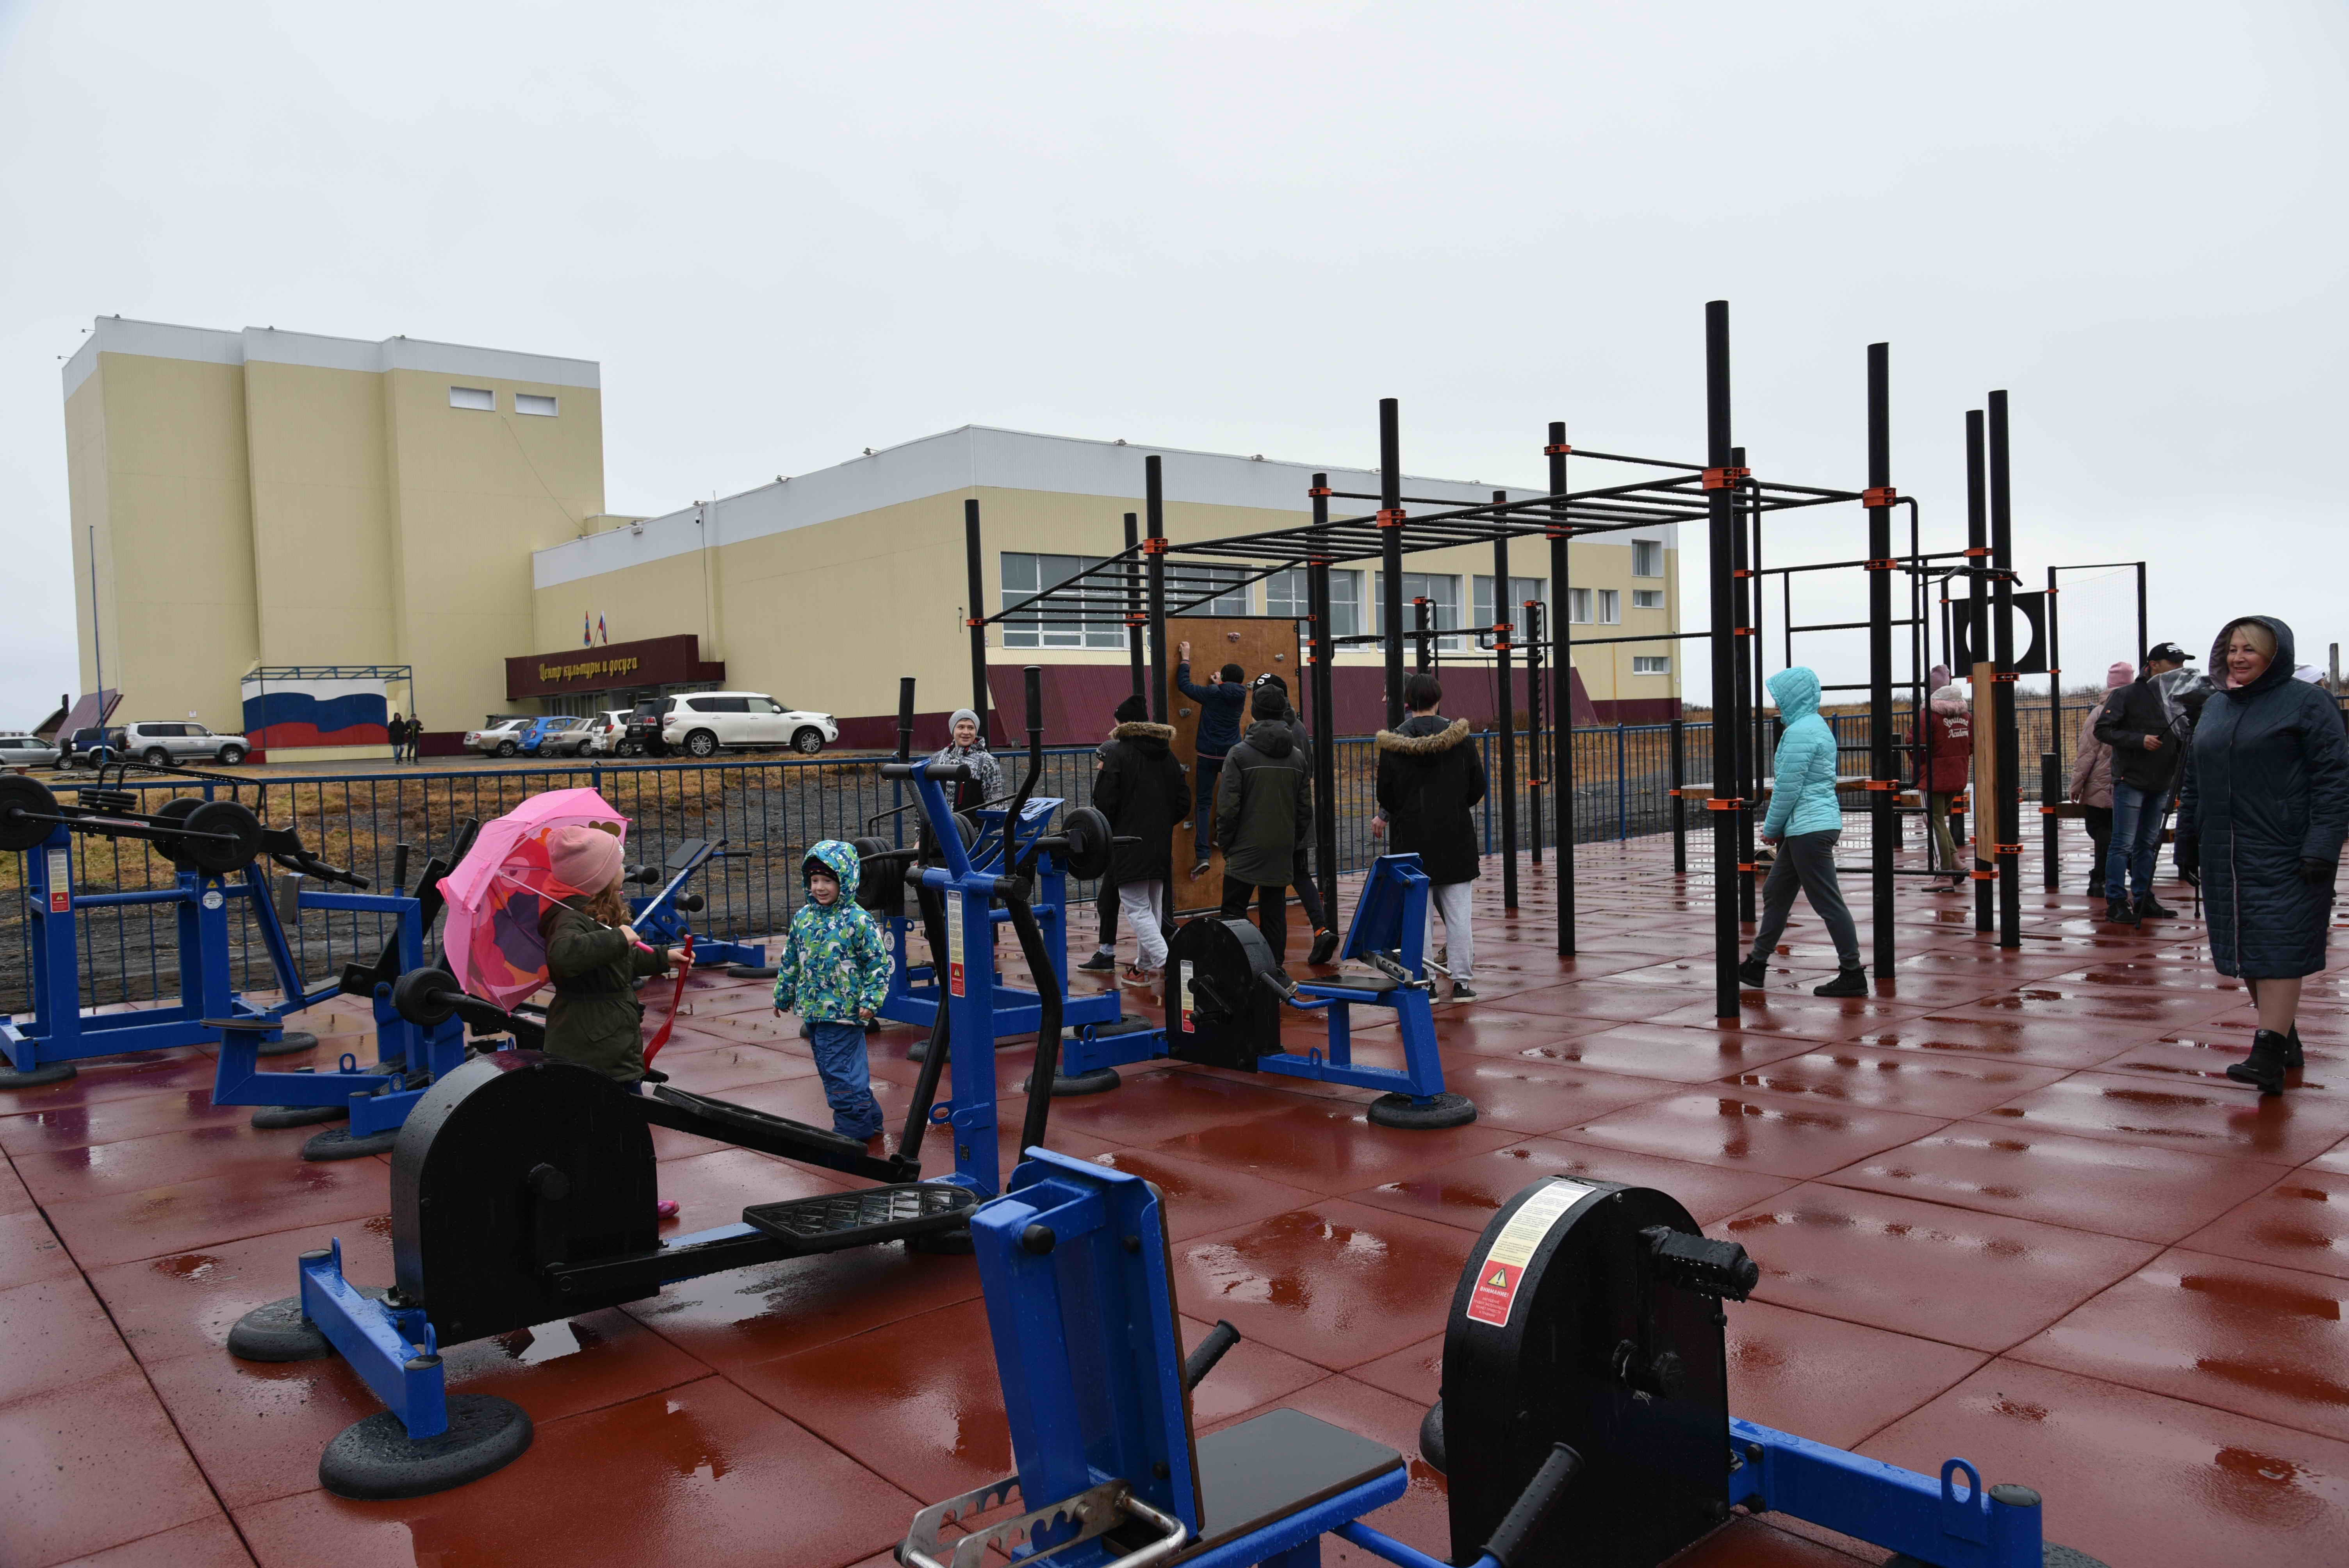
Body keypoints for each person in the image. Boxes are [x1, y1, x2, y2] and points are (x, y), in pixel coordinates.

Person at [2175, 617, 2349, 1096]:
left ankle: (2267, 1055)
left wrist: (2322, 845)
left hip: (2285, 847)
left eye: (2249, 649)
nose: (2238, 657)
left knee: (2277, 947)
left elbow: (2334, 778)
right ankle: (2283, 1039)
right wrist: (2187, 837)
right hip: (2224, 850)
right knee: (2245, 947)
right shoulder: (2216, 705)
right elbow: (2194, 776)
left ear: (2274, 655)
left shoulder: (2307, 702)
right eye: (2232, 648)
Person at [1739, 667, 1866, 997]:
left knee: (1828, 902)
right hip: (1811, 826)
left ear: (1792, 698)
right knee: (1776, 892)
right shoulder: (1815, 726)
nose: (1776, 705)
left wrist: (1771, 828)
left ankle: (1853, 973)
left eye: (1779, 699)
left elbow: (1787, 788)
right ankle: (1756, 964)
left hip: (1809, 828)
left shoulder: (1799, 733)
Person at [1374, 672, 1488, 998]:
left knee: (1417, 919)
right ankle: (1462, 983)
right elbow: (1477, 786)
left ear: (1408, 703)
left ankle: (1425, 982)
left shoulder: (1394, 744)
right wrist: (1453, 806)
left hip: (1411, 841)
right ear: (1438, 700)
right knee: (1459, 916)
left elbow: (1387, 795)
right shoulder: (1461, 739)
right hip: (1456, 839)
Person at [771, 841, 892, 1139]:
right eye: (814, 880)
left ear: (845, 881)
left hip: (844, 1011)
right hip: (814, 1009)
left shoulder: (858, 920)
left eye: (828, 881)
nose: (820, 888)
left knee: (840, 1070)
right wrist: (783, 994)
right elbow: (791, 960)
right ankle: (869, 1118)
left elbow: (877, 963)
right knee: (834, 1068)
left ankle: (853, 1129)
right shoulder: (804, 918)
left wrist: (871, 999)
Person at [1092, 693, 1190, 983]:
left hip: (1127, 840)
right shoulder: (1168, 755)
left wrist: (1118, 824)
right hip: (1160, 842)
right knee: (1153, 907)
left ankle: (1167, 961)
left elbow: (1104, 801)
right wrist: (1161, 823)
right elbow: (1183, 802)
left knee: (1136, 907)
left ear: (1123, 724)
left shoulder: (1118, 754)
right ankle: (1143, 967)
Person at [2094, 640, 2194, 924]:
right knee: (2123, 844)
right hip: (2131, 780)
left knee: (2147, 844)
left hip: (2162, 782)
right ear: (2153, 665)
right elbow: (2104, 730)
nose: (2179, 668)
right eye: (2174, 663)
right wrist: (2140, 740)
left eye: (2182, 663)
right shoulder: (2127, 695)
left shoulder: (2178, 697)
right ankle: (2116, 902)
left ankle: (2143, 898)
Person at [1214, 684, 1313, 966]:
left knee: (1233, 911)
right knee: (1274, 913)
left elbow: (1228, 807)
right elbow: (1304, 809)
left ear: (1254, 711)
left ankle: (1239, 967)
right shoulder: (1297, 756)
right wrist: (1291, 841)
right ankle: (1274, 970)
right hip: (1281, 846)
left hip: (1244, 846)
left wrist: (1226, 843)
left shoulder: (1239, 754)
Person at [1253, 674, 1341, 966]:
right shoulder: (1299, 727)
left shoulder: (1268, 734)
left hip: (1276, 817)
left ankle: (1272, 953)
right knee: (1301, 875)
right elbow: (1309, 770)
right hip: (1300, 816)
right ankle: (1321, 928)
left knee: (1272, 886)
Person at [1175, 641, 1249, 877]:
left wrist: (1186, 658)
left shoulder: (1211, 694)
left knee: (1204, 803)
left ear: (1223, 678)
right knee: (1231, 797)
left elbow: (1184, 686)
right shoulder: (1241, 696)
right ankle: (1221, 836)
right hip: (1230, 755)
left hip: (1208, 755)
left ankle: (1203, 855)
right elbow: (1226, 692)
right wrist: (1219, 685)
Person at [2067, 663, 2132, 891]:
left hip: (2100, 783)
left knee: (2100, 830)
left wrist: (2076, 785)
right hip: (2130, 781)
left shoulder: (2099, 712)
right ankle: (2128, 870)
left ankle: (2099, 878)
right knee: (2125, 830)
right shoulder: (2139, 710)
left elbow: (2087, 753)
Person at [1914, 682, 1972, 890]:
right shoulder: (1966, 717)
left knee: (1932, 820)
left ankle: (1943, 874)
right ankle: (1955, 862)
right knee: (1939, 820)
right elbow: (1971, 745)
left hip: (1933, 777)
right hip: (1957, 776)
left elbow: (1915, 744)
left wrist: (1920, 766)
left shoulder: (1927, 716)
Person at [929, 708, 1004, 816]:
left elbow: (996, 804)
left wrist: (994, 826)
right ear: (953, 730)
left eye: (971, 728)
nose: (966, 732)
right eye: (961, 727)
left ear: (976, 731)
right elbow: (927, 798)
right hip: (940, 826)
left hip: (972, 826)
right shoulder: (936, 759)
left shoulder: (988, 762)